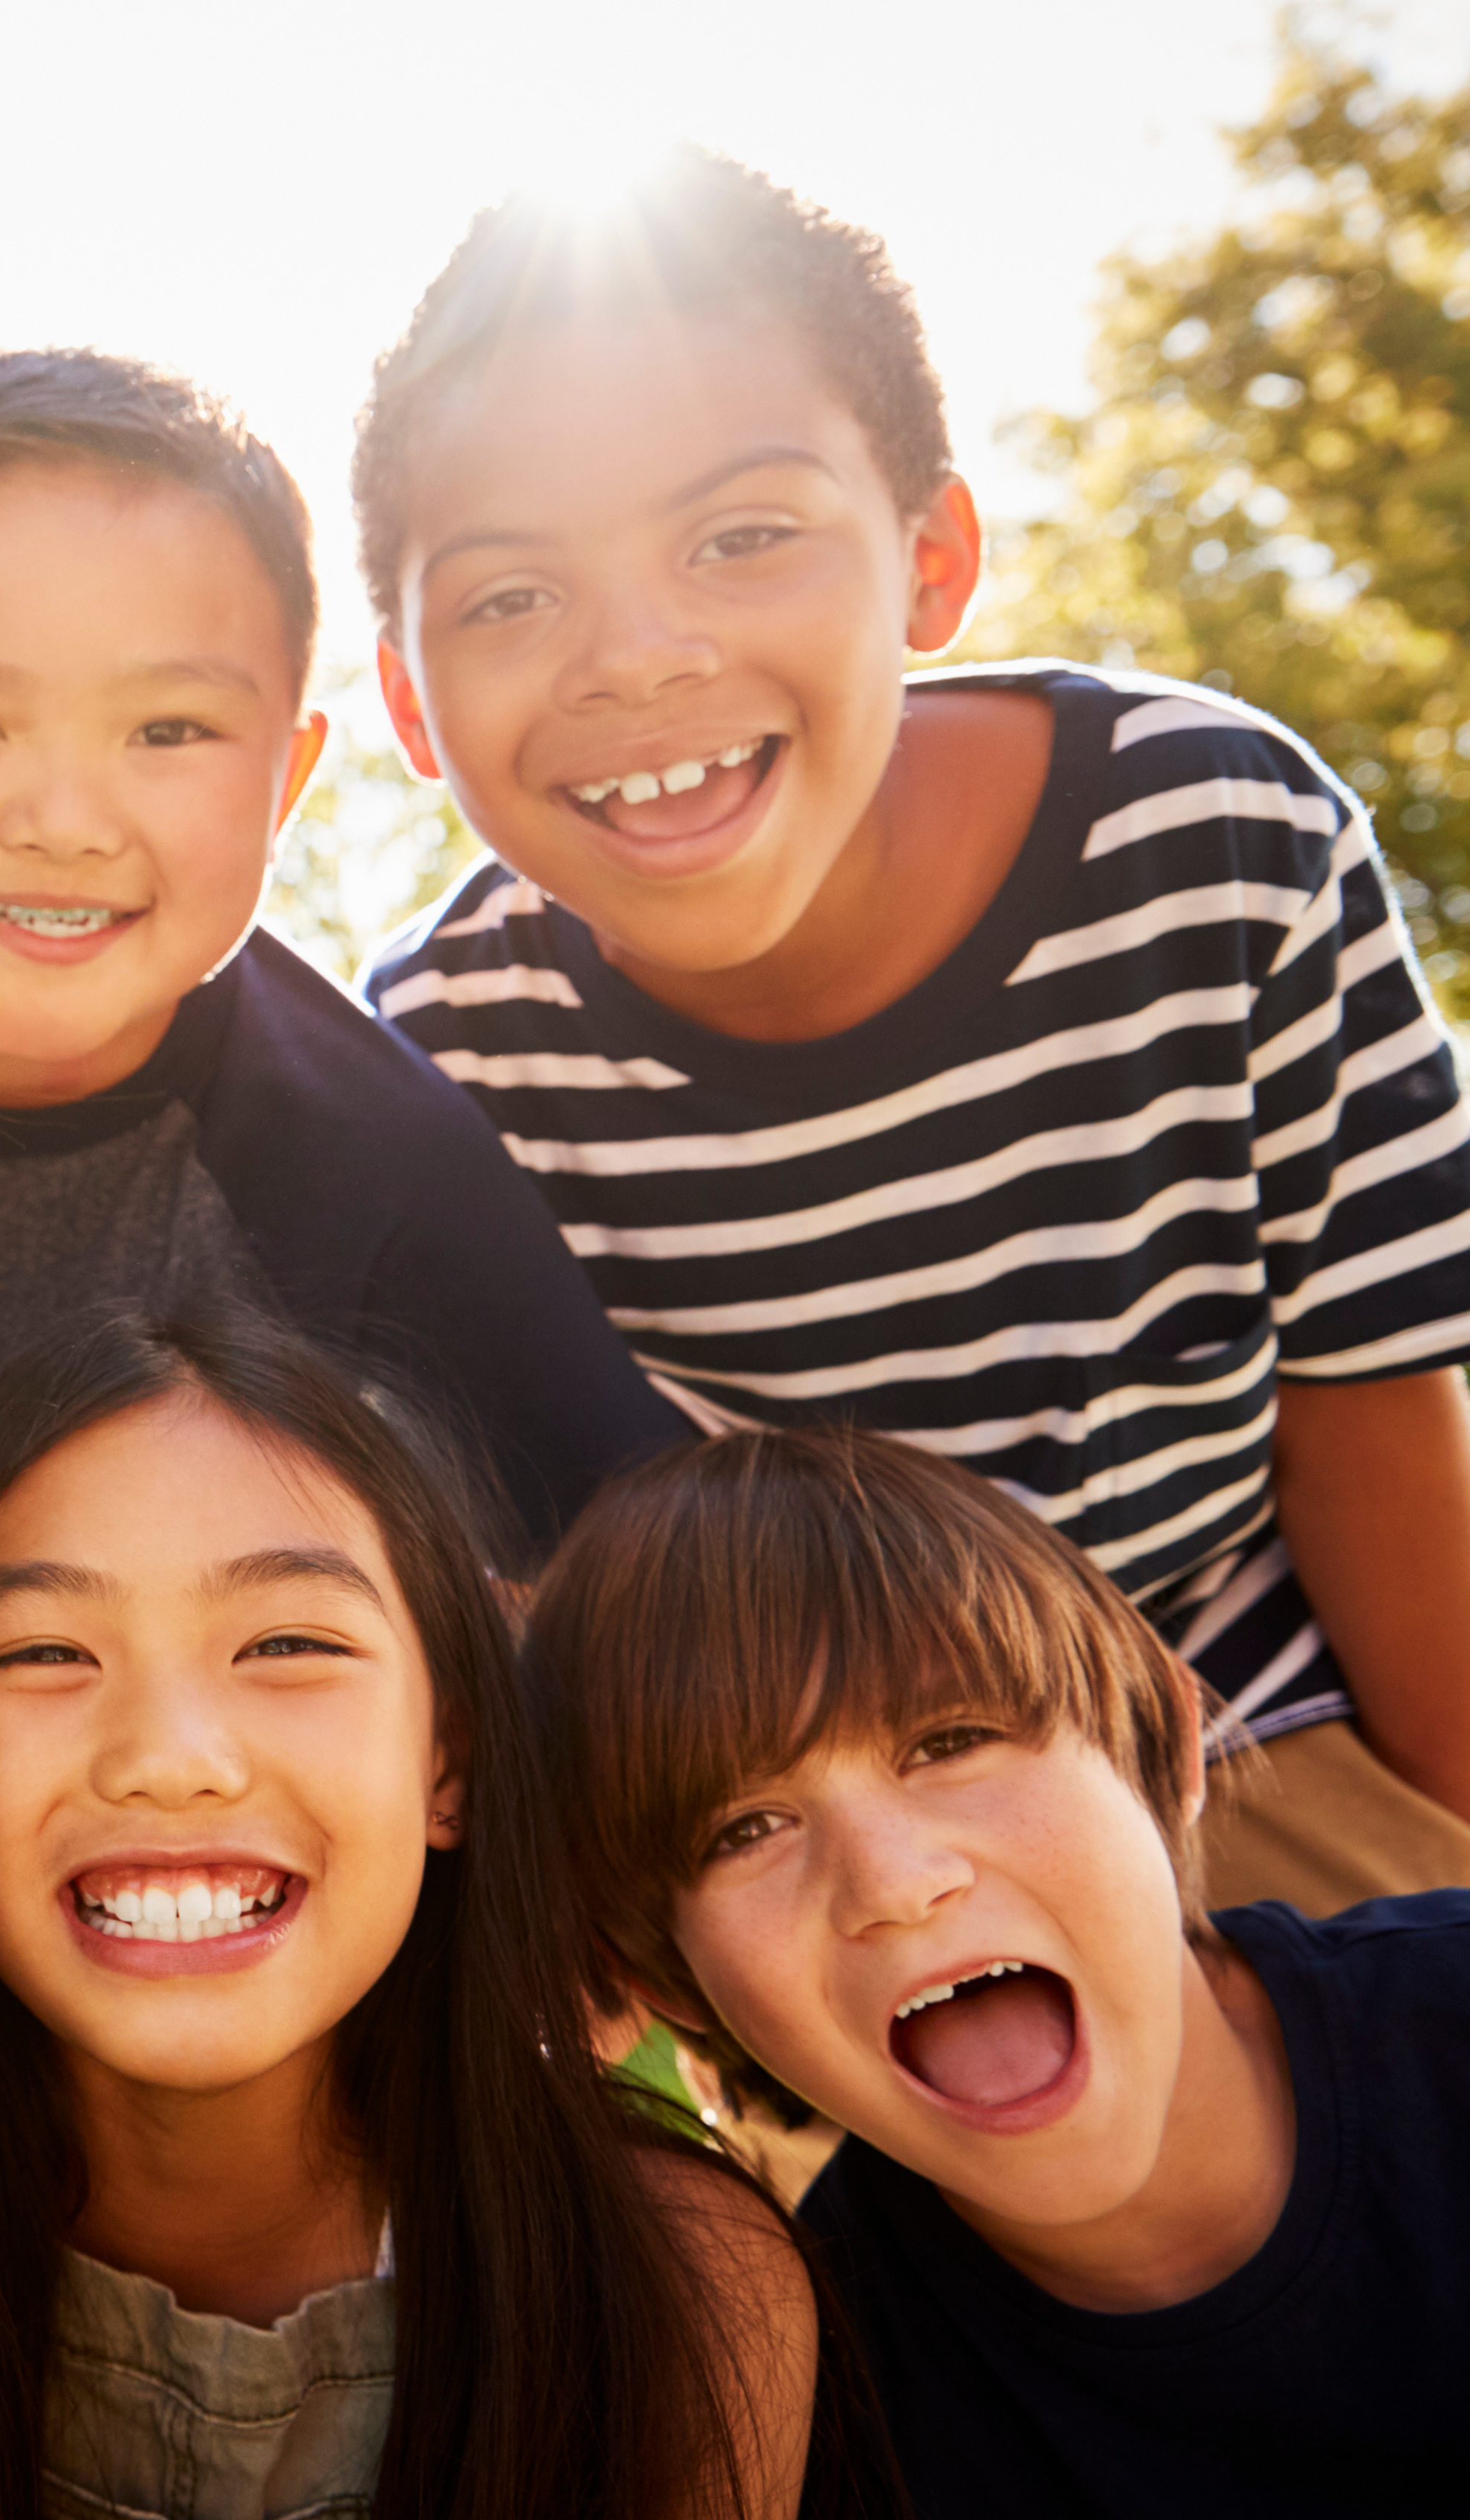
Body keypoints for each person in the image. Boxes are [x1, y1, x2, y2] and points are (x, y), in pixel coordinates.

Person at [355, 149, 1470, 1909]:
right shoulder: (440, 1060)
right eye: (510, 595)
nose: (635, 657)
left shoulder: (1212, 836)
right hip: (817, 1794)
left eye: (741, 536)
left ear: (931, 561)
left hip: (1266, 1713)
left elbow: (1377, 1410)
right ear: (412, 701)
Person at [0, 1306, 848, 2519]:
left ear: (450, 1760)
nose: (173, 1760)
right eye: (43, 1654)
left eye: (286, 1640)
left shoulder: (671, 2284)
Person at [0, 350, 681, 1548]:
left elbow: (633, 1590)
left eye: (169, 729)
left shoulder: (385, 1173)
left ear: (286, 782)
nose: (67, 825)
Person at [531, 1425, 1470, 2516]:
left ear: (1158, 1744)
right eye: (745, 1830)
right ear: (673, 1987)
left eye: (950, 1740)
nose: (891, 1883)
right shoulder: (808, 2408)